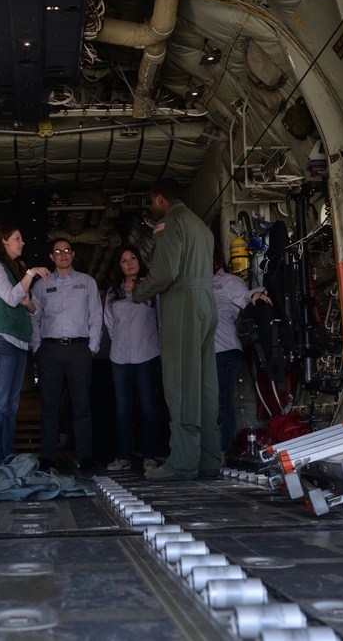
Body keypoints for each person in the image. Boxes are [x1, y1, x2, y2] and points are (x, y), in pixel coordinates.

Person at [134, 179, 220, 481]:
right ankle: (209, 458)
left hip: (182, 302)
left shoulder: (169, 224)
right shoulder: (201, 226)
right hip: (206, 302)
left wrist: (139, 292)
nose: (151, 208)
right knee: (204, 383)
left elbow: (166, 271)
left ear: (160, 199)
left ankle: (182, 462)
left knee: (181, 381)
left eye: (151, 202)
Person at [0, 226, 50, 471]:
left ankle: (6, 460)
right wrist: (30, 274)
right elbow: (11, 298)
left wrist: (27, 298)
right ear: (3, 241)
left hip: (19, 342)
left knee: (10, 407)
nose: (22, 243)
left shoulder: (14, 269)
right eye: (17, 239)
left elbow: (35, 308)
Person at [29, 238, 103, 473]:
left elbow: (95, 315)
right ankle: (48, 457)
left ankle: (86, 456)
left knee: (81, 405)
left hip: (79, 349)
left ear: (73, 255)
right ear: (51, 257)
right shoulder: (41, 284)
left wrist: (92, 346)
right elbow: (34, 317)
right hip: (49, 349)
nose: (63, 255)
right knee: (49, 405)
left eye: (67, 251)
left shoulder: (87, 282)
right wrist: (37, 346)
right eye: (58, 251)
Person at [104, 245, 162, 472]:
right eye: (123, 260)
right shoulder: (113, 292)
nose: (129, 263)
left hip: (147, 353)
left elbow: (160, 319)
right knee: (122, 408)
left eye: (133, 258)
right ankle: (123, 457)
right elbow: (109, 324)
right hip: (119, 355)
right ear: (118, 266)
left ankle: (149, 456)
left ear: (140, 260)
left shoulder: (151, 287)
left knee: (148, 406)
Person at [213, 259, 271, 465]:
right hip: (199, 354)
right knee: (205, 403)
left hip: (224, 349)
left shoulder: (227, 281)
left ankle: (221, 453)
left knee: (221, 402)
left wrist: (255, 294)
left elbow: (245, 296)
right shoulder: (190, 284)